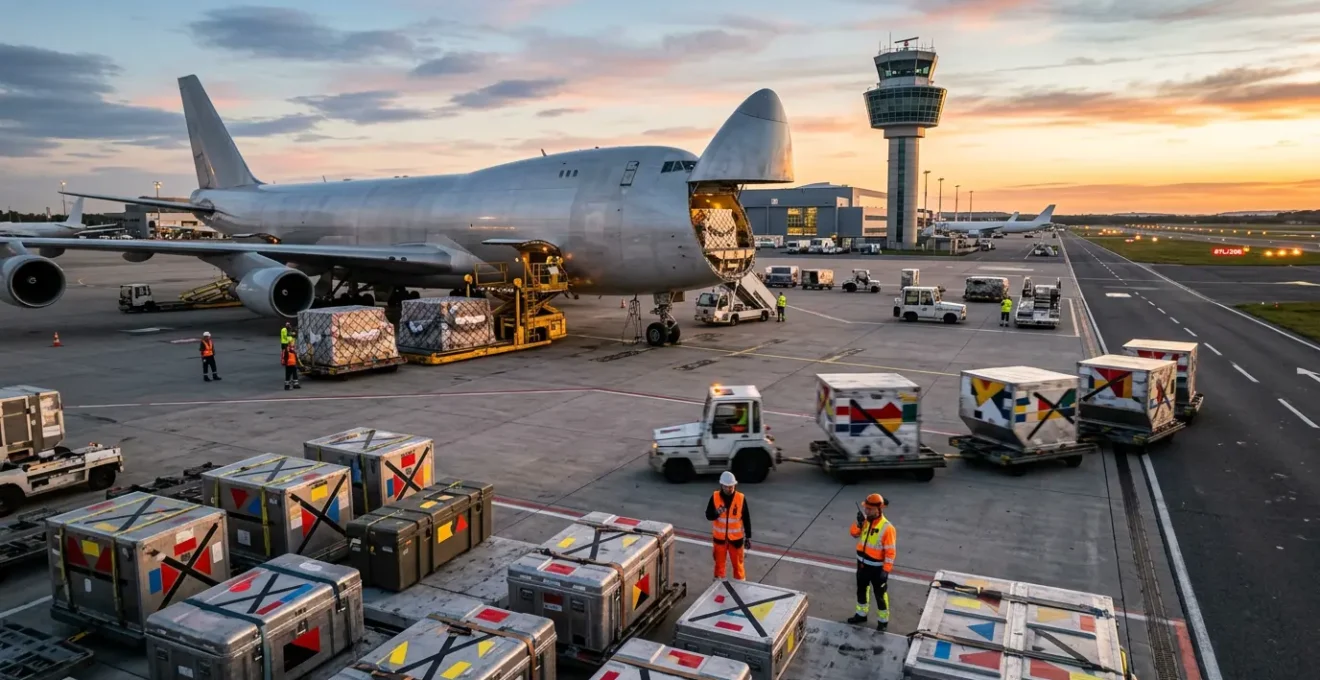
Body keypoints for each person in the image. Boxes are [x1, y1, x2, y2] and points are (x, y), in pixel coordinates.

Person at [847, 493, 896, 631]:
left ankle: (883, 621)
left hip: (877, 569)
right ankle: (861, 615)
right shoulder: (865, 521)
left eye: (869, 509)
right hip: (862, 564)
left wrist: (886, 570)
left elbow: (890, 552)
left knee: (880, 595)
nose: (866, 511)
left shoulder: (887, 528)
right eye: (866, 508)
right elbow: (853, 534)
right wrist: (859, 523)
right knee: (861, 591)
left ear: (878, 509)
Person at [706, 471, 751, 580]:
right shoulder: (715, 497)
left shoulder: (740, 498)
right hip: (719, 540)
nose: (729, 489)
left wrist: (748, 537)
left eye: (731, 486)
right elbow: (708, 515)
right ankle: (718, 585)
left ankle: (740, 585)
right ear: (722, 486)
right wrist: (716, 513)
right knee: (719, 565)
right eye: (726, 487)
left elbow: (746, 518)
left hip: (736, 540)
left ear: (735, 485)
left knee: (738, 566)